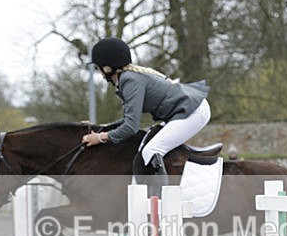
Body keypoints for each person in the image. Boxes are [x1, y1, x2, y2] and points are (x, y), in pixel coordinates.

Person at [81, 37, 211, 195]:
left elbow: (130, 127)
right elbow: (127, 121)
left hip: (193, 112)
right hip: (185, 111)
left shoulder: (130, 81)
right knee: (143, 147)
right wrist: (101, 129)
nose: (98, 72)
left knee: (151, 150)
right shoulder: (128, 78)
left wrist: (101, 137)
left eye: (98, 68)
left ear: (107, 68)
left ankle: (164, 203)